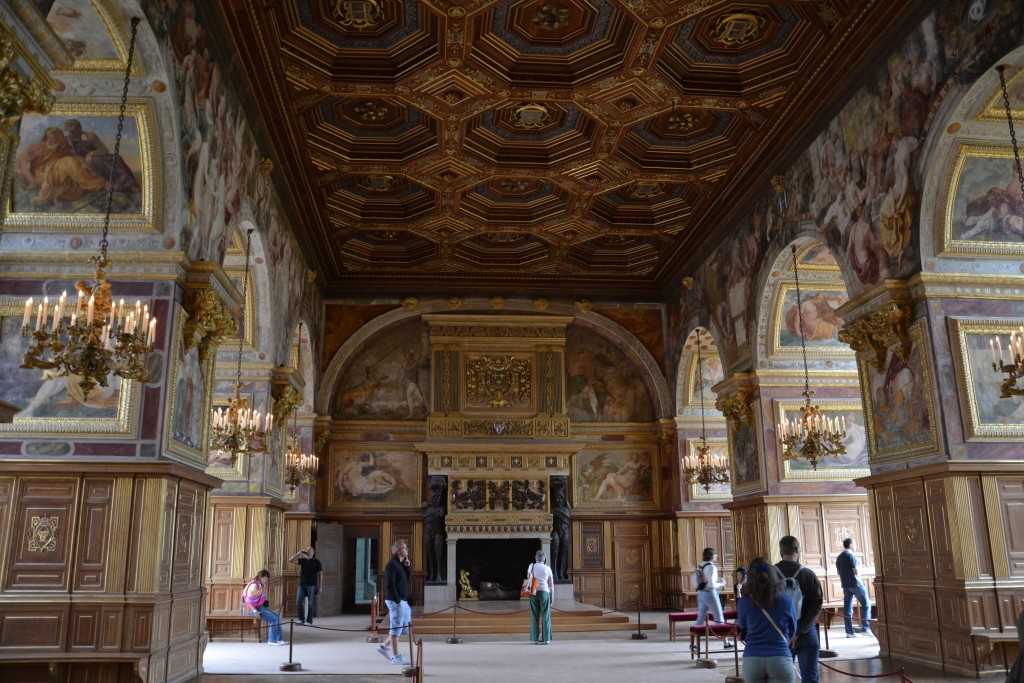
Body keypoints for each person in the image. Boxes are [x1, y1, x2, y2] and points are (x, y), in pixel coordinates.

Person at [737, 557, 798, 683]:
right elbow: (793, 629)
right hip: (780, 657)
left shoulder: (743, 602)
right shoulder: (786, 600)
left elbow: (742, 628)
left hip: (753, 658)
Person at [776, 536, 823, 683]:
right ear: (797, 550)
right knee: (810, 678)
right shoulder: (808, 574)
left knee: (780, 679)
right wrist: (799, 631)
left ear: (781, 551)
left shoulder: (770, 574)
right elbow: (817, 606)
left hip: (780, 633)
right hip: (806, 632)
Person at [375, 540, 412, 666]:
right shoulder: (391, 564)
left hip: (403, 599)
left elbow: (406, 579)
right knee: (396, 627)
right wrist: (397, 600)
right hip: (396, 600)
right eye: (405, 548)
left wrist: (407, 567)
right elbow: (390, 584)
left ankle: (384, 647)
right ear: (398, 551)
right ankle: (396, 657)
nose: (407, 550)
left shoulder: (401, 564)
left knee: (404, 625)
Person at [695, 547, 734, 649]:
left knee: (700, 618)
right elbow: (711, 584)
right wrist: (721, 583)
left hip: (701, 593)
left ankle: (694, 644)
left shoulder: (701, 565)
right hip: (710, 594)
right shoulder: (712, 567)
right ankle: (726, 643)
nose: (716, 556)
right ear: (712, 556)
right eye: (715, 554)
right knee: (719, 617)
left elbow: (704, 581)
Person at [835, 537, 871, 637]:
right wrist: (860, 566)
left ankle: (849, 632)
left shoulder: (839, 557)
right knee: (866, 604)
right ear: (850, 545)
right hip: (856, 584)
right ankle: (866, 628)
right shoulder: (851, 555)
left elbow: (838, 572)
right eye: (854, 544)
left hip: (845, 584)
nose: (856, 546)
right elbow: (856, 571)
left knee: (847, 609)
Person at [243, 569, 286, 646]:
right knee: (274, 619)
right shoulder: (254, 586)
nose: (266, 580)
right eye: (266, 578)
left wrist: (264, 587)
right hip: (254, 609)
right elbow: (249, 600)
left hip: (260, 607)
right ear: (261, 577)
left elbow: (259, 597)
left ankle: (278, 639)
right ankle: (272, 640)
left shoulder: (259, 585)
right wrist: (255, 611)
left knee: (277, 618)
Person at [288, 546, 322, 626]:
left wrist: (320, 586)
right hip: (302, 584)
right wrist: (298, 553)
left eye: (310, 549)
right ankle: (301, 619)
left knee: (311, 603)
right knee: (298, 601)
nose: (308, 550)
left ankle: (309, 621)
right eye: (307, 549)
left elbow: (320, 574)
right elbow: (290, 560)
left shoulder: (317, 562)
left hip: (312, 585)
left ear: (313, 552)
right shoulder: (303, 560)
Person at [527, 549, 555, 644]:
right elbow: (551, 585)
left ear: (536, 558)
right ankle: (546, 639)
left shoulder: (531, 566)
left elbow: (529, 579)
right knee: (545, 616)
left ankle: (534, 639)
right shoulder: (547, 568)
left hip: (534, 592)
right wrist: (552, 598)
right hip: (544, 592)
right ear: (544, 559)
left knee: (534, 616)